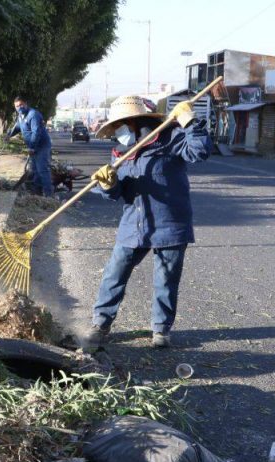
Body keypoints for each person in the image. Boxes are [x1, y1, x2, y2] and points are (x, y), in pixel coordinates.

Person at [84, 95, 212, 351]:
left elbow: (199, 151)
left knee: (166, 278)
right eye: (115, 128)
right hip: (135, 224)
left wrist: (190, 122)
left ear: (135, 122)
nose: (117, 132)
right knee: (114, 273)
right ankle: (101, 324)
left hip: (170, 222)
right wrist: (108, 185)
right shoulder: (120, 153)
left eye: (121, 126)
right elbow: (119, 192)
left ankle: (161, 330)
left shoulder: (169, 139)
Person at [6, 96, 53, 197]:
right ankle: (37, 193)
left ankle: (49, 196)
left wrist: (32, 147)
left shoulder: (33, 115)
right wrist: (9, 134)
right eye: (17, 106)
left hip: (41, 146)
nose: (19, 107)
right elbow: (18, 127)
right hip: (33, 147)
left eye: (21, 105)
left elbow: (36, 133)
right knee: (34, 170)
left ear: (26, 104)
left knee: (42, 170)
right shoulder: (20, 116)